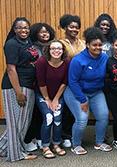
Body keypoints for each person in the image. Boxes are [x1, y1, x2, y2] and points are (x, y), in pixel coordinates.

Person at [63, 27, 112, 155]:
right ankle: (76, 144)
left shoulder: (105, 58)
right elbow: (72, 82)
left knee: (103, 116)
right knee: (82, 119)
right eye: (94, 45)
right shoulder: (78, 60)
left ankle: (99, 142)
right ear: (87, 45)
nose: (97, 47)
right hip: (76, 92)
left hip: (96, 91)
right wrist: (82, 100)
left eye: (100, 45)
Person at [0, 17, 39, 161]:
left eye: (26, 28)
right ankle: (15, 155)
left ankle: (2, 148)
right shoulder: (11, 44)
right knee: (14, 123)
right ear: (14, 29)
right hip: (15, 87)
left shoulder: (27, 42)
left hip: (28, 84)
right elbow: (11, 69)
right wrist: (18, 93)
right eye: (20, 28)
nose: (24, 30)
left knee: (22, 122)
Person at [24, 22, 56, 152]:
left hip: (51, 86)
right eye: (41, 32)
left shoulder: (53, 47)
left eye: (47, 32)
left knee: (43, 114)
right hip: (35, 85)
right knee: (33, 114)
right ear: (36, 33)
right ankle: (28, 139)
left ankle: (40, 138)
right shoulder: (31, 47)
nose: (45, 34)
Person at [35, 40, 69, 159]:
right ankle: (45, 147)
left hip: (58, 95)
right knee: (49, 117)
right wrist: (47, 99)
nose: (56, 51)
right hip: (43, 94)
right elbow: (41, 82)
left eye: (59, 48)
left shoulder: (66, 62)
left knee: (57, 118)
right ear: (48, 50)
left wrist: (55, 99)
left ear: (63, 50)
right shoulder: (41, 62)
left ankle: (56, 144)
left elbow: (65, 82)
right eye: (53, 48)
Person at [59, 14, 86, 148]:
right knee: (65, 110)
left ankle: (73, 134)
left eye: (76, 27)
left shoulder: (82, 43)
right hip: (65, 80)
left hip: (81, 81)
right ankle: (65, 136)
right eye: (71, 27)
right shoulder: (61, 43)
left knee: (75, 111)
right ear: (65, 27)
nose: (74, 29)